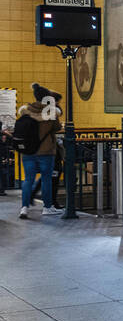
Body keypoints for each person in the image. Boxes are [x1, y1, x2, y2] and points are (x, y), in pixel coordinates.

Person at [15, 83, 62, 219]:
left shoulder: (26, 110)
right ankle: (47, 207)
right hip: (46, 151)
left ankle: (24, 208)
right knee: (46, 179)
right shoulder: (51, 112)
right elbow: (57, 128)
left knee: (28, 179)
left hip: (28, 151)